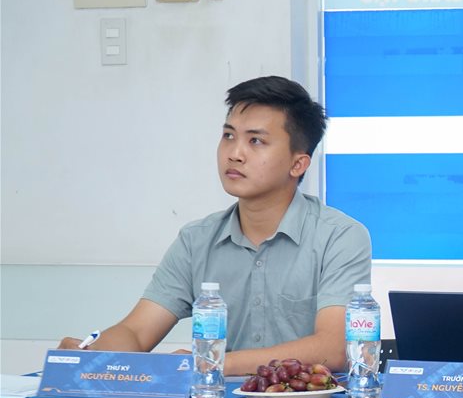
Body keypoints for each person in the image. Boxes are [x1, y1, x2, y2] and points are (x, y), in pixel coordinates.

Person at [58, 76, 371, 374]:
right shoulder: (196, 240)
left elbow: (334, 348)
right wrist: (93, 354)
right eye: (228, 136)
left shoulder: (339, 236)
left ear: (297, 163)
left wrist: (213, 362)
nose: (235, 154)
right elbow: (136, 332)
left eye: (256, 141)